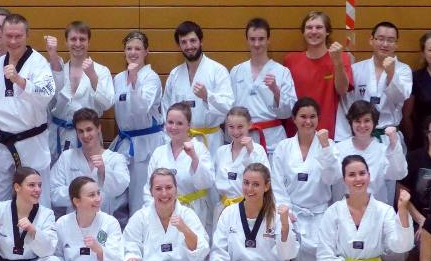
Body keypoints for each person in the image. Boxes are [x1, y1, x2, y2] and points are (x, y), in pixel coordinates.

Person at [209, 163, 318, 261]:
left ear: (266, 186)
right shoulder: (229, 213)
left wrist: (285, 225)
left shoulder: (278, 214)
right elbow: (219, 249)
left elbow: (288, 255)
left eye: (256, 184)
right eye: (246, 183)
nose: (249, 189)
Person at [316, 155, 418, 261]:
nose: (358, 179)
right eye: (352, 175)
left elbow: (401, 246)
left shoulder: (384, 210)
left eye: (362, 173)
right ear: (344, 180)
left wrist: (403, 211)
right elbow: (324, 255)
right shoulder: (333, 212)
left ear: (369, 176)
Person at [0, 14, 56, 212]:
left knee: (36, 199)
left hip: (31, 142)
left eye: (18, 36)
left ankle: (37, 233)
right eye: (9, 36)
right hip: (0, 141)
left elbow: (47, 94)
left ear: (27, 35)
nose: (13, 41)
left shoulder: (38, 63)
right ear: (3, 36)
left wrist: (20, 81)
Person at [120, 168, 214, 261]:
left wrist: (185, 229)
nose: (164, 194)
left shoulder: (187, 215)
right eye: (158, 189)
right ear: (151, 192)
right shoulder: (141, 217)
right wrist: (132, 257)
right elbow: (130, 243)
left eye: (169, 187)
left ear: (176, 190)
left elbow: (201, 251)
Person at [271, 98, 338, 261]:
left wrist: (325, 148)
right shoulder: (283, 147)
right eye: (303, 116)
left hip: (319, 214)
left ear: (318, 119)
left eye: (312, 117)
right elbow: (277, 184)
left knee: (319, 259)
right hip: (291, 213)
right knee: (288, 254)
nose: (308, 121)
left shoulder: (329, 145)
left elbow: (332, 178)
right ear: (294, 119)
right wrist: (285, 211)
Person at [110, 30, 164, 220]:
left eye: (138, 49)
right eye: (129, 48)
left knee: (140, 194)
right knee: (118, 194)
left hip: (146, 143)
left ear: (146, 52)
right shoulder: (118, 78)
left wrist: (134, 81)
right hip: (125, 141)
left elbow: (141, 108)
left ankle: (141, 233)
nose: (133, 52)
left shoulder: (151, 78)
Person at [45, 21, 115, 162]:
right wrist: (53, 57)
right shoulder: (56, 70)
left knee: (88, 174)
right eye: (73, 39)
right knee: (58, 174)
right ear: (66, 42)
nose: (78, 43)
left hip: (88, 137)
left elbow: (107, 104)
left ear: (88, 42)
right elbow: (48, 102)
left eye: (82, 39)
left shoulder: (101, 71)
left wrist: (93, 76)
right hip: (59, 135)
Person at [161, 20, 233, 151]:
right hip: (181, 140)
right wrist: (169, 139)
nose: (189, 46)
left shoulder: (218, 70)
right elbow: (166, 110)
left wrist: (207, 96)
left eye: (193, 41)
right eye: (183, 42)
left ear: (201, 41)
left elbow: (228, 106)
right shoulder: (174, 74)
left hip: (210, 141)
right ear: (179, 45)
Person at [143, 102, 215, 232]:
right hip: (163, 211)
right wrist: (152, 211)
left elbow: (207, 182)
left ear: (189, 125)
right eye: (170, 122)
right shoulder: (159, 152)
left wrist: (194, 158)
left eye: (179, 123)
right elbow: (149, 187)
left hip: (193, 212)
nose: (174, 127)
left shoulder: (199, 148)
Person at [228, 18, 296, 154]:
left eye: (261, 39)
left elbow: (289, 111)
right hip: (243, 136)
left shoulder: (282, 72)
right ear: (247, 40)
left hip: (272, 139)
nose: (257, 44)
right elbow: (230, 107)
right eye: (252, 39)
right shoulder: (236, 71)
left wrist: (276, 91)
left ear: (268, 40)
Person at [336, 22, 412, 143]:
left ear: (396, 44)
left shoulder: (403, 70)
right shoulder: (356, 69)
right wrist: (344, 139)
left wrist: (391, 73)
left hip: (389, 137)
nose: (385, 44)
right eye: (380, 39)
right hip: (360, 136)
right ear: (371, 40)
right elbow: (346, 105)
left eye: (390, 40)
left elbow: (399, 98)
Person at [283, 11, 353, 140]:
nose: (314, 31)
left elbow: (342, 90)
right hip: (296, 133)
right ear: (303, 32)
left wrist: (337, 62)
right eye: (309, 27)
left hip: (329, 132)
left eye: (319, 27)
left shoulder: (342, 57)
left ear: (327, 32)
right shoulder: (290, 60)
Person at [50, 108, 129, 220]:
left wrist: (103, 172)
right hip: (73, 223)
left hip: (104, 223)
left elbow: (121, 187)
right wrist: (79, 193)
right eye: (80, 131)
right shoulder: (66, 157)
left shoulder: (116, 159)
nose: (85, 135)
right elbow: (53, 193)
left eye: (89, 129)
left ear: (98, 128)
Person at [333, 101, 406, 206]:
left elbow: (398, 173)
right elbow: (329, 178)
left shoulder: (383, 150)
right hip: (345, 209)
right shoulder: (338, 149)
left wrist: (394, 143)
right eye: (357, 121)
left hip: (375, 210)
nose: (362, 125)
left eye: (367, 120)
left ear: (374, 123)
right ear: (351, 123)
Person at [213, 107, 269, 217]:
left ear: (250, 125)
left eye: (240, 127)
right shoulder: (221, 151)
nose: (235, 132)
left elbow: (265, 179)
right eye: (231, 127)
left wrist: (251, 151)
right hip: (223, 208)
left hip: (248, 208)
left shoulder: (257, 150)